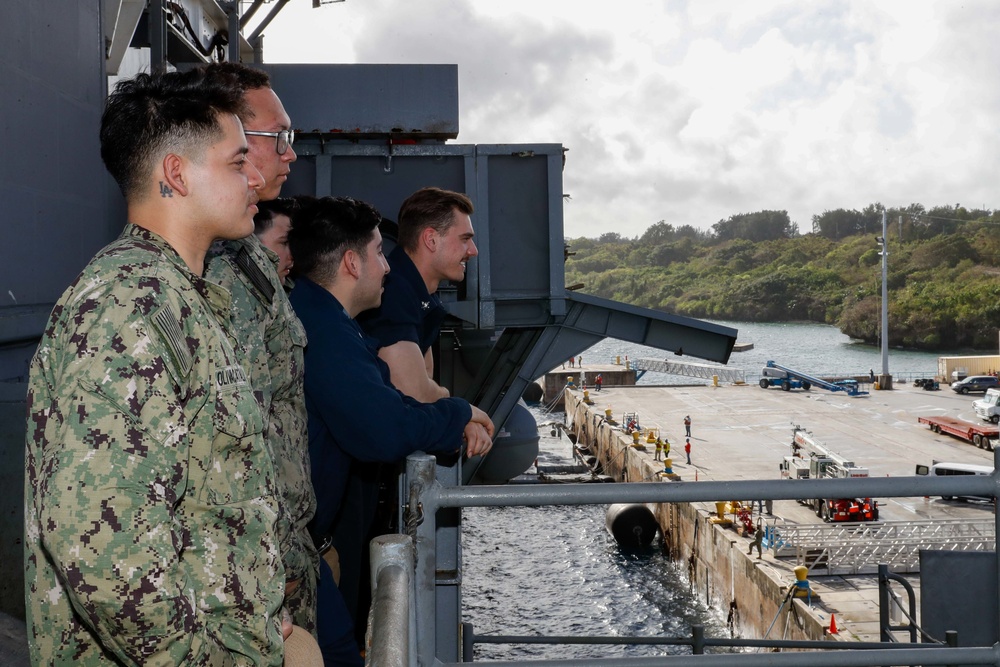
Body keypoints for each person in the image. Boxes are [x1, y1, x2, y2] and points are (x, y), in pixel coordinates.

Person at [23, 68, 285, 664]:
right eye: (236, 161)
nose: (254, 176)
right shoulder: (128, 308)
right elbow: (104, 555)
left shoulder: (182, 298)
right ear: (175, 173)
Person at [287, 195, 494, 665]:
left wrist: (453, 411)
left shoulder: (329, 321)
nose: (387, 267)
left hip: (308, 542)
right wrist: (456, 414)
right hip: (295, 547)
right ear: (351, 263)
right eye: (381, 253)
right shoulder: (326, 332)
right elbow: (382, 426)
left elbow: (387, 402)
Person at [202, 63, 319, 640]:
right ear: (235, 144)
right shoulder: (216, 270)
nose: (290, 154)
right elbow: (235, 457)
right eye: (281, 137)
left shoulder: (249, 257)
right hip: (258, 587)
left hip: (287, 558)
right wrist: (273, 576)